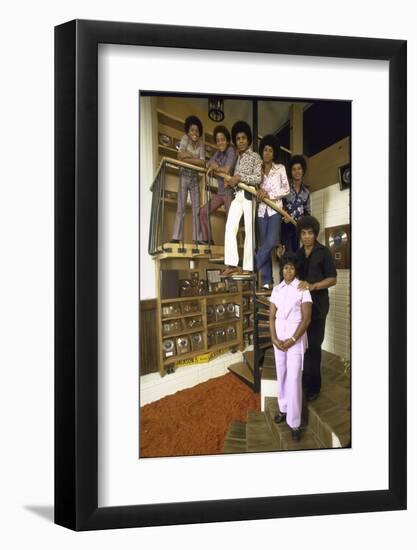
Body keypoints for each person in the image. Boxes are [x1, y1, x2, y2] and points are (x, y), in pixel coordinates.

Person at [290, 215, 337, 401]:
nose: (307, 236)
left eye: (310, 233)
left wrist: (313, 285)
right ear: (300, 235)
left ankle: (314, 388)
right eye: (303, 233)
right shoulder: (298, 254)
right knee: (303, 346)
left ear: (315, 234)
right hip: (301, 309)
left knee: (314, 347)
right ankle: (304, 382)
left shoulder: (324, 252)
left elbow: (333, 279)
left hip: (318, 308)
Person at [269, 253, 312, 441]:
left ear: (296, 270)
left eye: (292, 268)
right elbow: (271, 316)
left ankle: (295, 423)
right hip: (278, 337)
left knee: (294, 378)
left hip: (295, 337)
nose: (288, 270)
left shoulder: (303, 288)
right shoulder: (277, 289)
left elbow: (307, 319)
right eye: (285, 267)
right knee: (282, 373)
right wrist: (274, 338)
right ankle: (284, 409)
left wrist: (293, 339)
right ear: (282, 269)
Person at [221, 121, 262, 276]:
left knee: (250, 231)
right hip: (237, 195)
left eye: (243, 138)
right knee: (230, 226)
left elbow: (258, 178)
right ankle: (232, 264)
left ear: (248, 139)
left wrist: (239, 177)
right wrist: (231, 182)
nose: (241, 141)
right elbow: (238, 180)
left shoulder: (255, 156)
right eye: (238, 139)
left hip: (249, 193)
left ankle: (248, 267)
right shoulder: (237, 159)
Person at [255, 134, 290, 289]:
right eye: (265, 150)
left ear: (274, 153)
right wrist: (259, 195)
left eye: (270, 150)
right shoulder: (257, 170)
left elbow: (286, 189)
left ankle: (251, 266)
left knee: (271, 242)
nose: (267, 153)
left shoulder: (280, 168)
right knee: (264, 245)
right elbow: (254, 190)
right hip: (261, 211)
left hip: (276, 210)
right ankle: (267, 282)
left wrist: (270, 195)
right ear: (262, 152)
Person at [199, 125, 237, 245]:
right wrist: (212, 165)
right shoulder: (217, 154)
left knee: (230, 223)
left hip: (229, 192)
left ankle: (232, 251)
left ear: (227, 140)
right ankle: (207, 239)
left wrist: (215, 168)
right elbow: (208, 162)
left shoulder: (231, 150)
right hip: (220, 193)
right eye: (218, 140)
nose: (220, 142)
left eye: (223, 139)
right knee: (203, 211)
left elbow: (226, 170)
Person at [171, 115, 205, 244]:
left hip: (195, 179)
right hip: (184, 176)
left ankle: (197, 238)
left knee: (196, 210)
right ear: (188, 131)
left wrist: (188, 157)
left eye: (196, 130)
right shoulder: (185, 138)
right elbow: (179, 155)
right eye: (192, 130)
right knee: (181, 208)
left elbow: (202, 163)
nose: (194, 133)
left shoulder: (201, 142)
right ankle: (176, 237)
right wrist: (194, 159)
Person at [281, 155, 311, 252]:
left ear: (303, 171)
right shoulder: (286, 188)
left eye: (299, 169)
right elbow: (281, 205)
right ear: (291, 172)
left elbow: (307, 212)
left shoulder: (306, 192)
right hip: (286, 226)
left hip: (298, 228)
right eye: (294, 169)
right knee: (287, 256)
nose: (297, 172)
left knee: (297, 255)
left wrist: (304, 226)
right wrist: (285, 215)